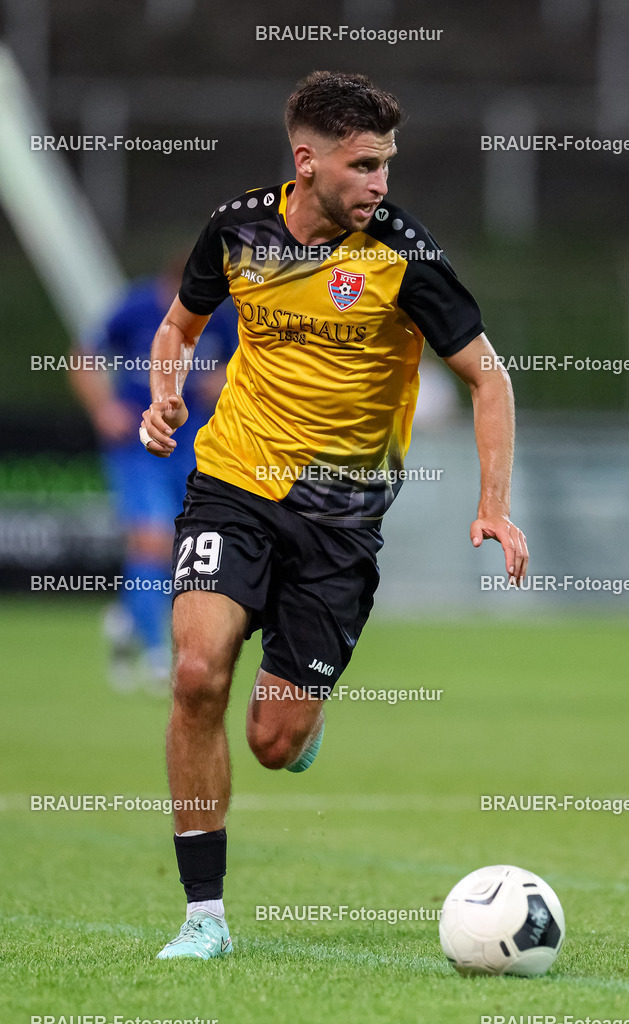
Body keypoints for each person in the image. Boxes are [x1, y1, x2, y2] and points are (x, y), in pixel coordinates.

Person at [140, 71, 529, 959]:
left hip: (340, 526)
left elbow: (487, 375)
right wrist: (165, 396)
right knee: (197, 674)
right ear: (306, 162)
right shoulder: (236, 228)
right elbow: (179, 326)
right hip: (232, 484)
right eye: (362, 166)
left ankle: (300, 715)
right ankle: (204, 920)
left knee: (273, 743)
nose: (380, 185)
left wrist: (494, 507)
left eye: (387, 165)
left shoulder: (402, 256)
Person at [71, 264, 238, 691]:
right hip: (138, 443)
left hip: (198, 444)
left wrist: (219, 381)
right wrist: (104, 409)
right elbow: (82, 356)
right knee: (152, 538)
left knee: (185, 546)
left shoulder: (221, 311)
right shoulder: (137, 306)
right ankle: (154, 652)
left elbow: (249, 362)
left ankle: (129, 618)